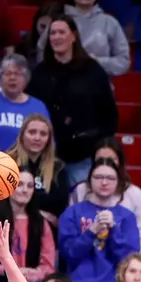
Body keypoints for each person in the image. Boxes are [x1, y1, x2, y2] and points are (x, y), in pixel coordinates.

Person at [28, 15, 118, 185]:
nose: (56, 37)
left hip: (83, 156)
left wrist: (98, 147)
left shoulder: (93, 71)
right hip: (47, 157)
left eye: (62, 32)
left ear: (74, 36)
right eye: (53, 33)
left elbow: (109, 115)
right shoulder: (40, 73)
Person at [59, 159, 141, 282]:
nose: (104, 182)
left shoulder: (127, 217)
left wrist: (114, 230)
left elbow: (129, 259)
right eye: (98, 177)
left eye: (110, 178)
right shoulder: (73, 213)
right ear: (89, 181)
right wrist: (91, 232)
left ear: (118, 183)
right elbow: (68, 254)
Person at [69, 140, 141, 249]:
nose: (105, 163)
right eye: (99, 160)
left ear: (120, 162)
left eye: (110, 160)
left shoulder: (135, 194)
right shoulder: (80, 190)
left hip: (123, 261)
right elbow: (71, 235)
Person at [0, 54, 50, 155]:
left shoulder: (38, 107)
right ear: (0, 78)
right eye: (8, 73)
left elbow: (48, 145)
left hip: (27, 169)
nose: (12, 78)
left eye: (18, 74)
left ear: (26, 79)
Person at [61, 0, 130, 76]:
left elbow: (123, 61)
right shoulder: (59, 20)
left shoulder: (110, 22)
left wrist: (96, 62)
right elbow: (43, 53)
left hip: (98, 85)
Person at [7, 111, 69, 216]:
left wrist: (22, 201)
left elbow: (60, 203)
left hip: (46, 228)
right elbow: (1, 200)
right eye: (32, 132)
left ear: (48, 139)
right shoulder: (6, 163)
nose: (37, 138)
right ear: (22, 135)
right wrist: (37, 213)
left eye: (43, 134)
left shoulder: (58, 167)